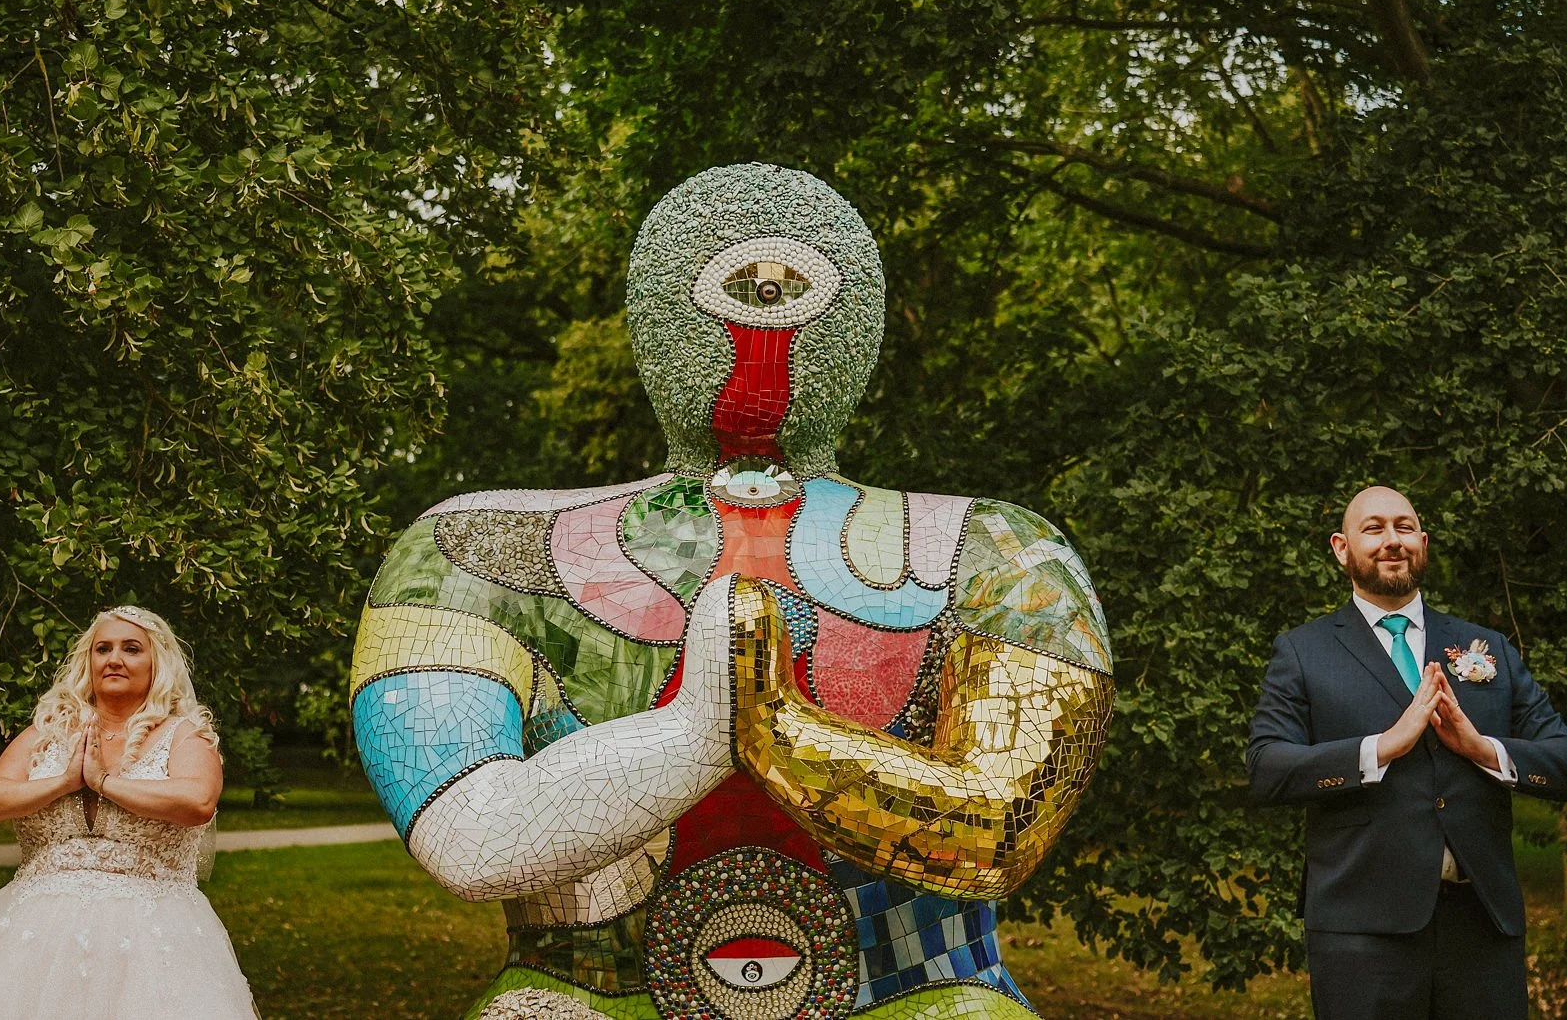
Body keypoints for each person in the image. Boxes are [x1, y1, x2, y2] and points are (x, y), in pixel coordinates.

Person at [351, 164, 1115, 1019]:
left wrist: (776, 727)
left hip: (916, 991)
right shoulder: (464, 552)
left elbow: (1000, 832)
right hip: (590, 990)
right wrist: (695, 729)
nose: (762, 304)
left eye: (796, 282)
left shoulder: (1001, 551)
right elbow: (470, 838)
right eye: (734, 278)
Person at [1247, 486, 1567, 1019]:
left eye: (1404, 528)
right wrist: (1381, 748)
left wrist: (1482, 749)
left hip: (1482, 927)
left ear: (1423, 542)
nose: (1392, 541)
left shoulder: (1485, 648)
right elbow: (1267, 770)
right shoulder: (1303, 652)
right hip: (1361, 934)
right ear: (1342, 548)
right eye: (1374, 528)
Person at [0, 606, 257, 1019]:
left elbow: (198, 802)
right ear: (88, 661)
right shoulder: (49, 731)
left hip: (154, 938)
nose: (114, 659)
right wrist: (63, 783)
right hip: (33, 937)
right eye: (103, 649)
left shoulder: (185, 735)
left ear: (157, 664)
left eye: (131, 649)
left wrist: (104, 783)